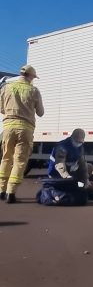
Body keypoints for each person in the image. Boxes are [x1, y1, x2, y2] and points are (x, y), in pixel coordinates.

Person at [0, 64, 44, 203]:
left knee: (6, 158)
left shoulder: (6, 88)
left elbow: (1, 109)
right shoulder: (34, 90)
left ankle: (1, 190)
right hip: (25, 129)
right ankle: (11, 193)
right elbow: (41, 113)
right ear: (30, 76)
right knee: (19, 161)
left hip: (8, 127)